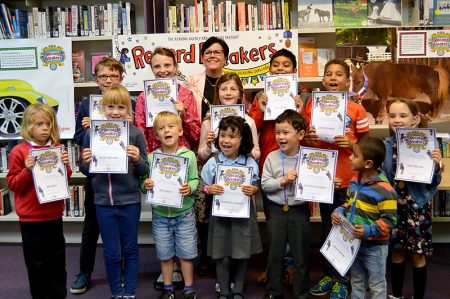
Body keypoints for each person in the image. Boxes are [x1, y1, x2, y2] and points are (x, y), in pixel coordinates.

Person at [305, 59, 370, 299]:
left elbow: (368, 147)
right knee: (327, 230)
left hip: (349, 180)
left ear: (347, 80)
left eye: (339, 74)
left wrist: (352, 145)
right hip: (323, 180)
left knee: (346, 231)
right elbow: (306, 140)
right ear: (323, 80)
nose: (333, 78)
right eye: (329, 74)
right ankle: (329, 276)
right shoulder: (313, 103)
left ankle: (344, 280)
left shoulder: (357, 109)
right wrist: (310, 138)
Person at [79, 85, 149, 299]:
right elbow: (85, 170)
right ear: (103, 109)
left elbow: (144, 170)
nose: (116, 112)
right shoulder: (91, 133)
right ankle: (115, 293)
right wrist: (86, 162)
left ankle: (129, 291)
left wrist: (137, 159)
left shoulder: (136, 134)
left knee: (130, 249)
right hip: (102, 202)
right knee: (111, 252)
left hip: (129, 201)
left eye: (121, 107)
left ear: (128, 109)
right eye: (111, 107)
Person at [71, 57, 126, 294]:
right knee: (91, 227)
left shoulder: (127, 102)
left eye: (113, 76)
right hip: (96, 175)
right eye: (103, 76)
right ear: (96, 79)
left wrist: (128, 125)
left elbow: (135, 134)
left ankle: (123, 269)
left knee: (122, 226)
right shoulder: (86, 104)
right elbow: (76, 138)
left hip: (121, 177)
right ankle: (84, 272)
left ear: (121, 78)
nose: (108, 80)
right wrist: (86, 130)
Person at [7, 103, 72, 299]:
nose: (45, 128)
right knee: (36, 263)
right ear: (29, 127)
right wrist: (27, 171)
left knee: (57, 260)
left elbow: (64, 178)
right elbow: (13, 184)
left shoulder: (57, 148)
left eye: (48, 124)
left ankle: (59, 294)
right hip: (31, 220)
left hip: (53, 215)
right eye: (39, 124)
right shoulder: (19, 151)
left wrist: (66, 167)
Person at [383, 98, 442, 299]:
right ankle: (396, 295)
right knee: (396, 253)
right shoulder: (386, 145)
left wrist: (435, 166)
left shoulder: (429, 144)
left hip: (416, 206)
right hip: (393, 207)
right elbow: (382, 177)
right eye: (392, 116)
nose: (397, 120)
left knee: (418, 255)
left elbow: (434, 180)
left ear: (415, 119)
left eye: (402, 115)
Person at [181, 36, 230, 276]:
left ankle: (219, 254)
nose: (213, 55)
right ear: (202, 57)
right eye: (208, 52)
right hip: (200, 152)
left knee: (221, 203)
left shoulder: (232, 81)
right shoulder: (192, 82)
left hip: (229, 156)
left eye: (218, 52)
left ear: (225, 57)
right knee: (201, 205)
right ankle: (203, 253)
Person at [201, 116, 262, 299]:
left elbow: (256, 186)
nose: (226, 140)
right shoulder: (213, 162)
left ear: (243, 139)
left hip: (243, 217)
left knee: (241, 254)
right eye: (222, 135)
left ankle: (238, 291)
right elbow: (202, 185)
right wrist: (209, 188)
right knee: (222, 255)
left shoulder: (249, 163)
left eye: (232, 136)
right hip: (220, 217)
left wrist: (254, 189)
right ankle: (224, 291)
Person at [331, 137, 398, 299]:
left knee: (376, 284)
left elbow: (390, 221)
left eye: (354, 155)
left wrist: (368, 231)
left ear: (368, 163)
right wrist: (339, 211)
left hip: (375, 248)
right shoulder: (354, 182)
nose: (350, 158)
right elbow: (349, 204)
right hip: (354, 244)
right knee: (357, 281)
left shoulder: (385, 190)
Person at [142, 111, 199, 299]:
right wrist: (146, 184)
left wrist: (189, 188)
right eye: (161, 128)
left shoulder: (189, 156)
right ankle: (168, 288)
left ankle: (189, 288)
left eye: (171, 126)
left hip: (184, 214)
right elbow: (143, 183)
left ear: (181, 131)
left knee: (186, 253)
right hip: (160, 215)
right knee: (164, 254)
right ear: (157, 135)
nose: (166, 130)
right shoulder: (151, 158)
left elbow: (194, 179)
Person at [261, 109, 310, 299]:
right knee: (275, 253)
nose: (280, 137)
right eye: (277, 132)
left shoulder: (309, 159)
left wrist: (330, 183)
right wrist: (282, 181)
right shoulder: (272, 157)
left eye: (285, 132)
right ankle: (273, 291)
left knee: (301, 255)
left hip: (299, 211)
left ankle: (301, 293)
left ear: (300, 135)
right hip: (276, 211)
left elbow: (317, 183)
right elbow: (265, 184)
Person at [134, 47, 200, 154]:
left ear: (175, 67)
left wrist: (184, 114)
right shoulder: (144, 97)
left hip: (182, 156)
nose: (163, 70)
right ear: (152, 69)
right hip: (153, 155)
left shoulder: (186, 95)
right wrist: (149, 157)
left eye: (167, 65)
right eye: (157, 66)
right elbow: (141, 132)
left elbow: (196, 135)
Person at [198, 72, 260, 162]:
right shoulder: (208, 122)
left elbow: (257, 155)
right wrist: (208, 146)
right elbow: (201, 157)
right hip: (215, 171)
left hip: (240, 172)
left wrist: (247, 145)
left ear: (240, 94)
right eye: (223, 89)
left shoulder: (248, 122)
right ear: (218, 93)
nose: (228, 93)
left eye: (233, 89)